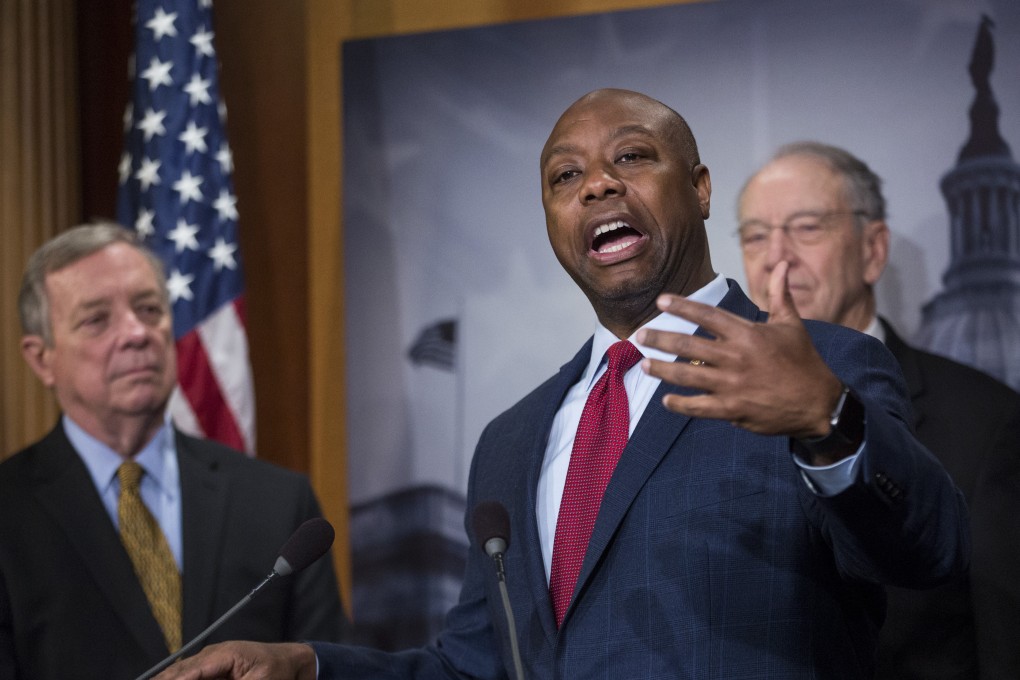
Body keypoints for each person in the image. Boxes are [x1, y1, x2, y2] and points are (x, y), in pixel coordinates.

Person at [155, 88, 968, 679]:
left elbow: (929, 549)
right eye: (564, 176)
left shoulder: (820, 366)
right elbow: (474, 666)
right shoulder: (513, 437)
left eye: (631, 157)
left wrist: (826, 419)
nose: (597, 185)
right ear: (552, 222)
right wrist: (308, 666)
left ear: (700, 187)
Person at [0, 223, 348, 680]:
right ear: (41, 358)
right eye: (97, 320)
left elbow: (329, 665)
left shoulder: (278, 502)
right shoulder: (9, 510)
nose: (136, 333)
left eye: (149, 309)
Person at [737, 141, 1020, 679]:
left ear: (873, 249)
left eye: (807, 227)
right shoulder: (707, 411)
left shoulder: (988, 421)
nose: (776, 256)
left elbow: (1006, 644)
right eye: (755, 236)